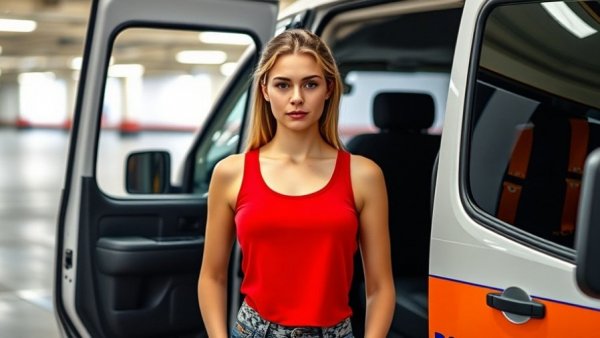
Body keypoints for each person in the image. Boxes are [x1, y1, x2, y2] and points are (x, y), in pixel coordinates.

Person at [197, 28, 395, 338]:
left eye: (310, 84)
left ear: (329, 89)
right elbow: (212, 276)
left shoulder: (364, 176)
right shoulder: (231, 173)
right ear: (264, 89)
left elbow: (380, 287)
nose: (297, 98)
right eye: (283, 85)